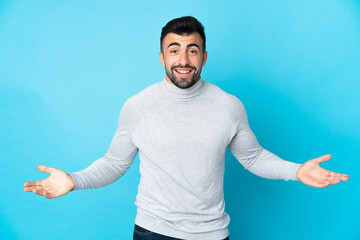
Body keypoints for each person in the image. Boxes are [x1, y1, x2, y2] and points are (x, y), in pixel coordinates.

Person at [23, 16, 349, 240]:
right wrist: (75, 180)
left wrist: (297, 171)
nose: (183, 59)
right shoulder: (137, 106)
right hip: (152, 231)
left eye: (192, 50)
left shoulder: (228, 106)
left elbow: (253, 158)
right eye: (174, 50)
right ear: (161, 56)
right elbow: (113, 164)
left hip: (211, 233)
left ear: (204, 57)